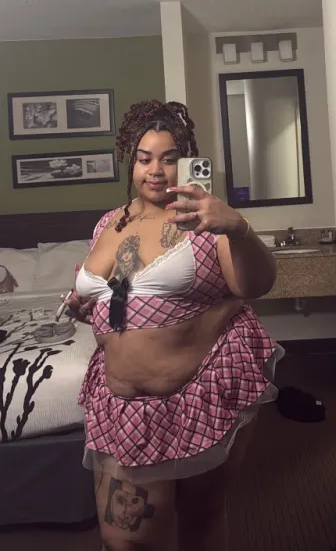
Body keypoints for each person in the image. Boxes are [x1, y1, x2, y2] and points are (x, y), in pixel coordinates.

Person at [65, 99, 283, 551]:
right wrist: (86, 304)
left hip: (198, 392)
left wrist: (237, 227)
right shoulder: (109, 223)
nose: (155, 171)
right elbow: (119, 293)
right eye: (144, 158)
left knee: (200, 522)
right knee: (123, 539)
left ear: (185, 163)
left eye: (168, 159)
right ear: (131, 162)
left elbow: (256, 285)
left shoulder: (204, 218)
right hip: (120, 403)